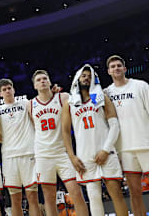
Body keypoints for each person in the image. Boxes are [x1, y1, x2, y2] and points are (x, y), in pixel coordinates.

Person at [104, 55, 149, 216]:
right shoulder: (106, 93)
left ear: (125, 69)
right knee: (134, 193)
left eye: (119, 65)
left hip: (148, 145)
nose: (116, 68)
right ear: (108, 71)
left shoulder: (140, 86)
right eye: (113, 66)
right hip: (124, 149)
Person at [61, 65, 127, 216]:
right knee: (94, 197)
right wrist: (72, 156)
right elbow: (65, 132)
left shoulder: (102, 97)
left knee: (116, 194)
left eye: (89, 76)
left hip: (106, 152)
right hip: (85, 156)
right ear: (77, 79)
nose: (86, 78)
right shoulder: (69, 103)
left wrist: (106, 150)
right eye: (83, 76)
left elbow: (115, 125)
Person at [28, 70, 89, 216]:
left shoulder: (63, 97)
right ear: (35, 86)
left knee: (76, 193)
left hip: (63, 153)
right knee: (49, 198)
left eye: (45, 78)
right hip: (43, 155)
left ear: (50, 82)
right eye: (38, 80)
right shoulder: (30, 105)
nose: (42, 81)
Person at [0, 79, 39, 216]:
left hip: (28, 153)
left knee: (32, 198)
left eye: (9, 88)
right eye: (4, 89)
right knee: (15, 200)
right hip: (9, 157)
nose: (7, 91)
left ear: (13, 90)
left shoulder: (26, 104)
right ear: (0, 94)